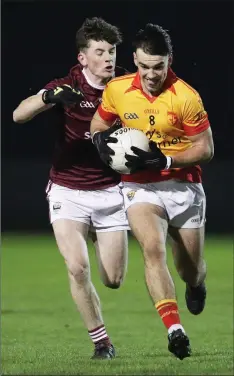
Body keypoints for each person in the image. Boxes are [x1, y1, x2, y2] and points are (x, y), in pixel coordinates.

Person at [90, 23, 214, 360]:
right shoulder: (117, 89)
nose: (151, 74)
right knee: (152, 251)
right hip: (139, 187)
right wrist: (102, 142)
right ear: (135, 60)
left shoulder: (186, 96)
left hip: (183, 185)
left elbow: (205, 148)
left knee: (190, 268)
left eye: (158, 66)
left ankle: (196, 284)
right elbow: (99, 124)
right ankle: (175, 330)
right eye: (144, 66)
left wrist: (167, 158)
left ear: (169, 61)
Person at [13, 17, 130, 360]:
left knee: (113, 279)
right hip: (68, 191)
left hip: (110, 193)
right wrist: (48, 97)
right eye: (99, 51)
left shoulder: (125, 87)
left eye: (111, 51)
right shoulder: (67, 85)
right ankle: (102, 343)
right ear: (83, 57)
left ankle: (98, 235)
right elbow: (20, 115)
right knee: (77, 267)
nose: (108, 57)